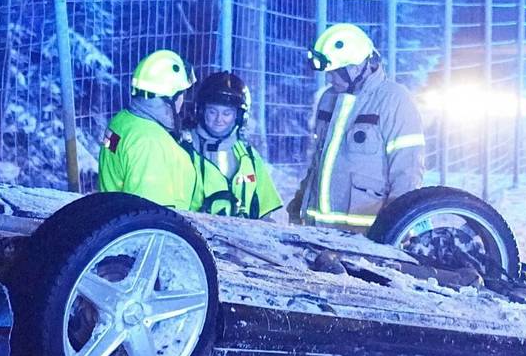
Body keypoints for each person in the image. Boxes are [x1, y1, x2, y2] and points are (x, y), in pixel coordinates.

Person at [290, 23, 426, 228]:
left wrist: (397, 225)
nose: (330, 78)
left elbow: (407, 170)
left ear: (356, 66)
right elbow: (320, 160)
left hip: (365, 236)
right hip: (317, 232)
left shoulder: (394, 100)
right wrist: (300, 201)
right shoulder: (329, 98)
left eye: (336, 72)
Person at [182, 71, 286, 222]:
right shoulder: (186, 151)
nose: (219, 119)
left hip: (241, 240)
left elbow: (265, 213)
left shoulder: (248, 156)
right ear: (201, 111)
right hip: (194, 239)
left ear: (239, 116)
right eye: (212, 112)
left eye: (227, 113)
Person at [97, 49, 197, 207]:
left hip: (112, 215)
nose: (183, 100)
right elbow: (150, 215)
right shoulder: (151, 144)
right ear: (170, 97)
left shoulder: (123, 121)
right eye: (182, 93)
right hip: (160, 228)